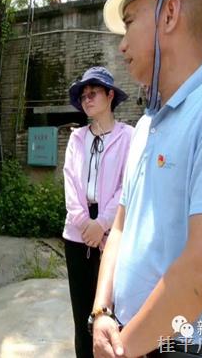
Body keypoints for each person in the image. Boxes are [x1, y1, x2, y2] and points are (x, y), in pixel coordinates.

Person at [91, 0, 202, 357]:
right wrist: (101, 311)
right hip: (129, 336)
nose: (121, 46)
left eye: (130, 22)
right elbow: (120, 226)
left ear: (169, 15)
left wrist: (122, 351)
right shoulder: (148, 125)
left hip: (192, 347)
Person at [63, 66, 133, 358]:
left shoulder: (128, 136)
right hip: (77, 234)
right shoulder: (77, 138)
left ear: (110, 95)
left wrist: (102, 223)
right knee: (82, 316)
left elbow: (126, 186)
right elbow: (70, 181)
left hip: (112, 232)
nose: (87, 99)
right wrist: (84, 223)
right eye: (83, 96)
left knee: (110, 314)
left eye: (93, 93)